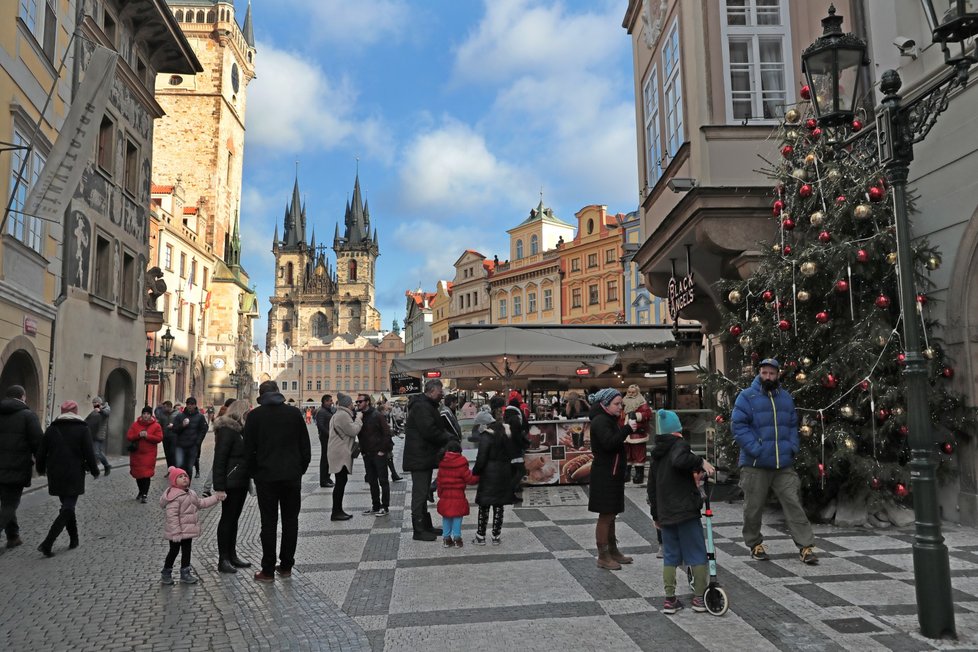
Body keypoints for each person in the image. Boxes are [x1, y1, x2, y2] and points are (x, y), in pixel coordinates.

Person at [732, 358, 818, 565]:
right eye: (764, 373)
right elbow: (738, 426)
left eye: (771, 373)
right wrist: (756, 449)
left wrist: (792, 447)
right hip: (755, 465)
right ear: (759, 373)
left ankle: (806, 546)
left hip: (782, 464)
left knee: (793, 502)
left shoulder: (786, 398)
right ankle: (754, 543)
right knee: (753, 507)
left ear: (778, 374)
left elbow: (791, 426)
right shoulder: (746, 397)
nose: (767, 377)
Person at [649, 409, 716, 614]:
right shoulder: (679, 445)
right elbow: (680, 460)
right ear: (677, 429)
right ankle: (699, 598)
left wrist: (656, 515)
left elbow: (652, 487)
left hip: (666, 513)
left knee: (670, 556)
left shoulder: (657, 451)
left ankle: (670, 599)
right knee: (696, 553)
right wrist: (700, 461)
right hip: (686, 511)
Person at [244, 380, 311, 582]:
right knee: (291, 521)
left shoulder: (255, 416)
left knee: (269, 523)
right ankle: (287, 566)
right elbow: (305, 447)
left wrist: (255, 472)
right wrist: (299, 469)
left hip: (267, 477)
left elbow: (248, 451)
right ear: (278, 392)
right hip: (291, 477)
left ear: (261, 395)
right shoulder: (293, 413)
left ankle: (267, 570)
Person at [35, 400, 99, 556]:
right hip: (74, 472)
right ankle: (48, 542)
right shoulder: (82, 429)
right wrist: (94, 469)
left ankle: (74, 539)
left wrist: (40, 468)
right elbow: (89, 452)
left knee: (67, 505)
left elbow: (41, 452)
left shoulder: (52, 429)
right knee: (68, 506)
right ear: (76, 411)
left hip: (56, 472)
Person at [587, 388, 636, 570]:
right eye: (616, 404)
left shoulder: (609, 419)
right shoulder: (600, 421)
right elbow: (609, 443)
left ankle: (613, 550)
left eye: (620, 404)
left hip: (613, 472)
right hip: (604, 474)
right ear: (604, 404)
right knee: (606, 515)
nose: (620, 407)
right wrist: (626, 429)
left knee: (612, 514)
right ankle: (603, 556)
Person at [403, 379, 452, 541]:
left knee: (422, 492)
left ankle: (426, 525)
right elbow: (429, 431)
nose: (442, 394)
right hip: (419, 456)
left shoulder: (425, 405)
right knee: (419, 493)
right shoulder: (422, 407)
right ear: (431, 391)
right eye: (440, 391)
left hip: (423, 456)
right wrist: (447, 437)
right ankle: (418, 530)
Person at [159, 466, 223, 585]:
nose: (184, 478)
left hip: (187, 532)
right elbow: (171, 517)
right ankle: (166, 572)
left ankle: (185, 572)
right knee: (173, 551)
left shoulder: (191, 493)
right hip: (176, 534)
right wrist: (176, 533)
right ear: (174, 481)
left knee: (187, 551)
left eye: (185, 476)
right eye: (180, 477)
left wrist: (216, 497)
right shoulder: (174, 497)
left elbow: (201, 503)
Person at [212, 399, 252, 574]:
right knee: (227, 519)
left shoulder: (239, 430)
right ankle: (223, 559)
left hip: (240, 480)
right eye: (246, 411)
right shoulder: (228, 430)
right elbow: (219, 459)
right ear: (240, 411)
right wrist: (219, 486)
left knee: (234, 519)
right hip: (230, 481)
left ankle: (232, 555)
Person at [0, 385, 43, 549]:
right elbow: (38, 443)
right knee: (9, 505)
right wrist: (42, 465)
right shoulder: (28, 415)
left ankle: (13, 536)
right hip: (16, 467)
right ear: (23, 397)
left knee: (7, 503)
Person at [472, 396, 513, 545]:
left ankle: (480, 536)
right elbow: (512, 452)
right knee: (499, 505)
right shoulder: (507, 432)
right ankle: (496, 536)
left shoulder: (487, 434)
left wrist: (475, 471)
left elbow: (481, 457)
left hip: (489, 473)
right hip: (503, 472)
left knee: (484, 505)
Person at [326, 393, 363, 521]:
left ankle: (338, 510)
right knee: (340, 482)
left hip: (337, 451)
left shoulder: (338, 414)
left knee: (341, 481)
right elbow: (353, 431)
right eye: (352, 403)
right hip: (340, 452)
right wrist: (359, 418)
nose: (353, 405)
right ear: (347, 404)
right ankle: (336, 511)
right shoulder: (342, 415)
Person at [436, 440, 479, 547]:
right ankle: (457, 539)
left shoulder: (442, 462)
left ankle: (446, 539)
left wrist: (440, 494)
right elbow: (469, 479)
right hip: (458, 495)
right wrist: (478, 476)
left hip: (445, 494)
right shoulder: (461, 461)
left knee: (446, 516)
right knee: (457, 516)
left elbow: (439, 481)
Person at [356, 394, 393, 517]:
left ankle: (385, 507)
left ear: (367, 402)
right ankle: (375, 506)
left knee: (383, 480)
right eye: (357, 402)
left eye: (360, 401)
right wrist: (363, 451)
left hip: (378, 453)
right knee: (372, 481)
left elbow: (387, 433)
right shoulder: (360, 416)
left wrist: (382, 450)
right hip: (367, 453)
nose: (358, 403)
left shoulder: (377, 415)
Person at [126, 406, 163, 503]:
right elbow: (129, 436)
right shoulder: (135, 425)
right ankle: (141, 491)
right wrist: (138, 435)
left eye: (147, 414)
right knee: (138, 474)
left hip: (149, 454)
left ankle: (145, 494)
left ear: (151, 415)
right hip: (136, 454)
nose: (145, 416)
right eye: (144, 414)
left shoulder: (156, 426)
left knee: (146, 474)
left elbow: (159, 438)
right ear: (142, 414)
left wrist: (148, 436)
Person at [621, 384, 653, 485]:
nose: (630, 394)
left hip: (637, 433)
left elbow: (647, 414)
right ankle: (626, 473)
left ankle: (639, 474)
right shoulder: (623, 401)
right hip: (624, 433)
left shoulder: (642, 402)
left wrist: (637, 416)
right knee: (626, 454)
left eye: (633, 392)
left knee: (639, 454)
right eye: (629, 392)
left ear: (637, 392)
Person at [170, 396, 207, 478]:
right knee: (180, 467)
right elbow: (174, 429)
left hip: (192, 446)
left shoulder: (200, 417)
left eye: (192, 404)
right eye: (188, 404)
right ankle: (180, 487)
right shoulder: (180, 416)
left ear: (195, 405)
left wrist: (198, 442)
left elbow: (203, 430)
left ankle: (187, 486)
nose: (190, 406)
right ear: (186, 405)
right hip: (180, 445)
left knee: (189, 468)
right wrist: (182, 426)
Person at [84, 396, 112, 476]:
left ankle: (106, 466)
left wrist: (100, 410)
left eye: (96, 403)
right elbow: (87, 420)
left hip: (99, 434)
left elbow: (106, 413)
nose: (94, 405)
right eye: (93, 403)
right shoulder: (94, 412)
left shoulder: (106, 408)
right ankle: (89, 466)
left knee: (96, 452)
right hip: (92, 433)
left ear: (100, 403)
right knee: (95, 451)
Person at [314, 394, 335, 488]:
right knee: (325, 460)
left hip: (329, 438)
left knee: (329, 459)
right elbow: (321, 426)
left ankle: (327, 477)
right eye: (330, 401)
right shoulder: (322, 412)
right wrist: (329, 434)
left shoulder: (326, 411)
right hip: (325, 438)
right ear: (325, 401)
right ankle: (323, 480)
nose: (332, 402)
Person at [155, 401, 175, 467]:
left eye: (165, 407)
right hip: (165, 437)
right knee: (167, 455)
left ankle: (175, 470)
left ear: (169, 406)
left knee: (173, 454)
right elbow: (159, 423)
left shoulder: (177, 414)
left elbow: (180, 424)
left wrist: (174, 426)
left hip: (174, 437)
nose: (163, 408)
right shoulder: (162, 414)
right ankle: (169, 470)